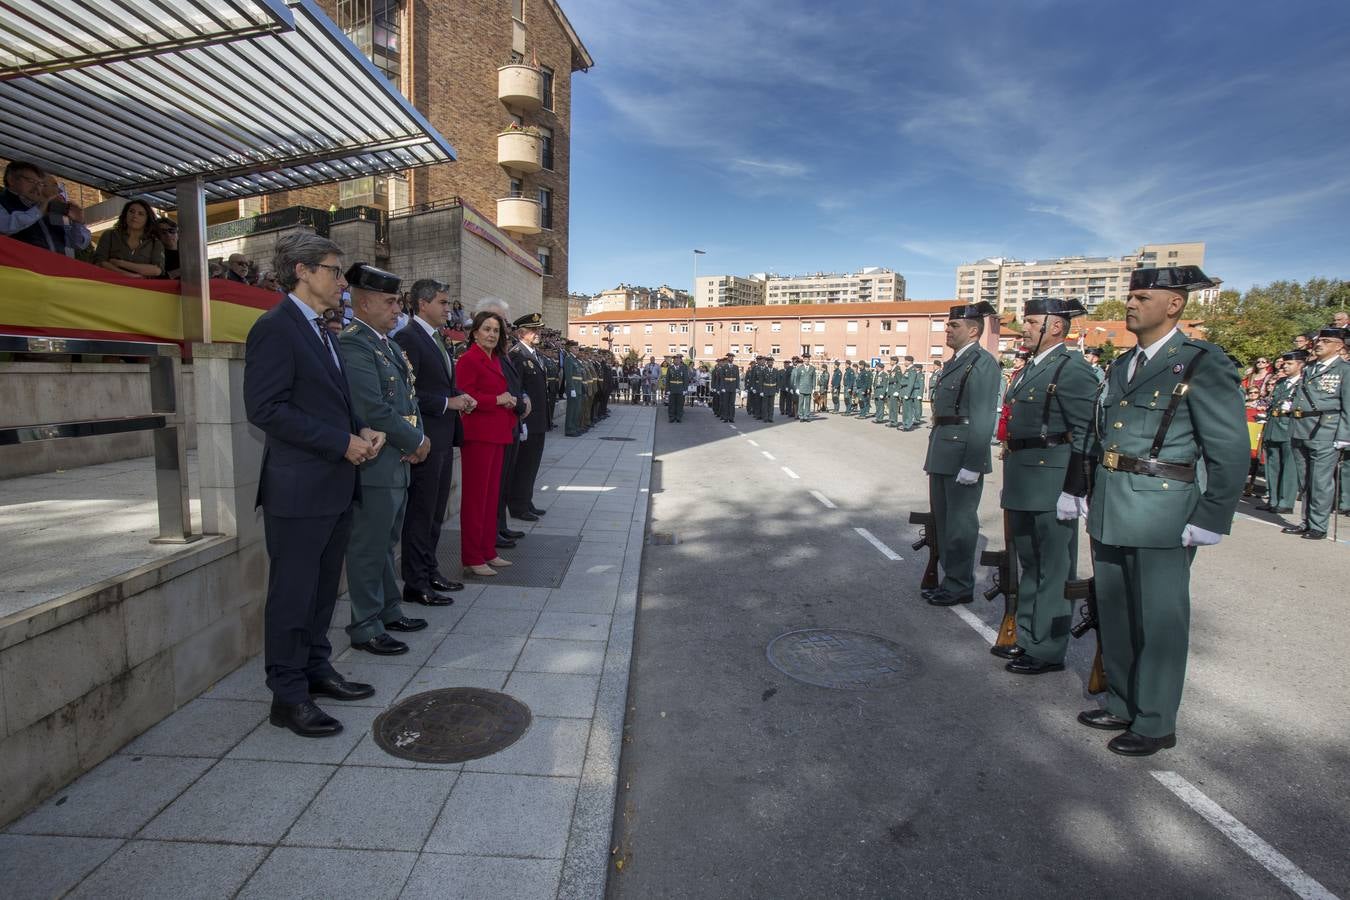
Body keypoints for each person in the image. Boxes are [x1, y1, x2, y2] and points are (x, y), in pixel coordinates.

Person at [1071, 266, 1248, 756]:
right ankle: (1124, 702)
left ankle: (1155, 720)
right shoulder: (1121, 363)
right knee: (1118, 612)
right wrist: (1086, 488)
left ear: (1174, 305)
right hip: (1111, 503)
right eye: (1129, 296)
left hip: (1163, 509)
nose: (1130, 304)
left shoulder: (1200, 362)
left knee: (1160, 620)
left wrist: (1212, 516)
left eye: (1142, 297)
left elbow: (1228, 449)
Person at [244, 233, 385, 738]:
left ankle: (316, 668)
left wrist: (359, 431)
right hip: (299, 491)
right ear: (301, 271)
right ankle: (287, 695)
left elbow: (322, 402)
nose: (341, 280)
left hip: (333, 486)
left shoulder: (322, 329)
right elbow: (265, 410)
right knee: (293, 596)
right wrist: (338, 442)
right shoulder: (276, 327)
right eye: (333, 269)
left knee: (324, 590)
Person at [995, 298, 1097, 674]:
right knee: (1031, 563)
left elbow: (1086, 433)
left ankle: (1049, 649)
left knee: (1054, 567)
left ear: (1056, 326)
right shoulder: (1029, 368)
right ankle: (1028, 636)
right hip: (1024, 474)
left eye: (1032, 321)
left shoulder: (1072, 368)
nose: (1025, 328)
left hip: (1052, 478)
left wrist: (1075, 488)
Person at [337, 264, 431, 656]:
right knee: (368, 546)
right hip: (376, 463)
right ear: (363, 301)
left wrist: (418, 437)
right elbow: (372, 408)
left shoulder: (388, 345)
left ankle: (389, 610)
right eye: (390, 301)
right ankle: (365, 624)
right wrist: (417, 439)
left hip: (396, 458)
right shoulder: (354, 343)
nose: (398, 309)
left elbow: (408, 400)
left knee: (387, 540)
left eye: (398, 301)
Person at [394, 279, 472, 607]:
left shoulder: (435, 338)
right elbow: (406, 393)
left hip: (441, 438)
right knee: (421, 513)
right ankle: (415, 582)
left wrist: (458, 397)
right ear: (422, 304)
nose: (447, 308)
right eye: (441, 302)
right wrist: (447, 403)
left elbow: (440, 383)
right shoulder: (407, 338)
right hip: (423, 438)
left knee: (436, 512)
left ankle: (430, 570)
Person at [922, 302, 1001, 607]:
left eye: (954, 326)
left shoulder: (982, 362)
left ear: (973, 330)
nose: (948, 329)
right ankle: (949, 579)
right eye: (948, 325)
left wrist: (974, 463)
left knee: (960, 524)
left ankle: (959, 584)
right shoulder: (956, 361)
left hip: (961, 454)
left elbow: (982, 416)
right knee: (943, 521)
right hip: (943, 449)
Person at [456, 310, 518, 577]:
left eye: (496, 330)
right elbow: (466, 397)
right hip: (478, 436)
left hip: (497, 433)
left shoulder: (494, 358)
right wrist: (499, 400)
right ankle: (472, 556)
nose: (492, 334)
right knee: (475, 499)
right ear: (475, 333)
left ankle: (487, 551)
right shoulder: (469, 360)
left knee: (491, 497)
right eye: (487, 329)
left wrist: (509, 399)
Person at [1283, 327, 1349, 540]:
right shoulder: (1310, 368)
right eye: (1319, 341)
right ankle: (1306, 521)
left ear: (1339, 346)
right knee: (1305, 480)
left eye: (1326, 341)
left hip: (1326, 428)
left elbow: (1348, 405)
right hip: (1302, 426)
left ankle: (1318, 525)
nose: (1319, 344)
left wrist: (1344, 435)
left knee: (1320, 480)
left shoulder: (1345, 370)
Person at [0, 161, 91, 257]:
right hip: (19, 269)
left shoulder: (50, 208)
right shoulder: (3, 202)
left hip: (53, 269)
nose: (37, 188)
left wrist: (78, 222)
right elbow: (5, 226)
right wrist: (40, 210)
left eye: (39, 183)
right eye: (31, 181)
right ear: (11, 180)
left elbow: (78, 245)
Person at [508, 312, 550, 519]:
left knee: (532, 464)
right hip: (527, 421)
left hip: (539, 420)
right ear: (521, 332)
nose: (538, 333)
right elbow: (517, 387)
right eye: (534, 330)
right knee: (524, 464)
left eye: (539, 329)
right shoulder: (517, 355)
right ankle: (518, 506)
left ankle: (527, 500)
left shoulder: (533, 354)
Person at [1257, 351, 1304, 514]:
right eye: (1284, 363)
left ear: (1300, 365)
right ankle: (1273, 499)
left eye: (1290, 363)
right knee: (1272, 464)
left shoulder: (1304, 382)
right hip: (1274, 425)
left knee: (1288, 466)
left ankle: (1285, 501)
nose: (1285, 366)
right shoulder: (1281, 382)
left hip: (1289, 427)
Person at [94, 199, 164, 278]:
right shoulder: (110, 235)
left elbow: (156, 270)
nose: (135, 216)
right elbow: (100, 262)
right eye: (131, 211)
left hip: (142, 289)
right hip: (112, 286)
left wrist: (121, 263)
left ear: (147, 219)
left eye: (140, 214)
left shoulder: (155, 242)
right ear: (125, 214)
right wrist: (129, 275)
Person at [666, 354, 691, 422]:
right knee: (671, 404)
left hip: (680, 388)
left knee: (680, 404)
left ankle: (678, 417)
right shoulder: (670, 368)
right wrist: (667, 389)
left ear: (680, 360)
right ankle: (671, 417)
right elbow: (667, 379)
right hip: (672, 388)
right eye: (675, 360)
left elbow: (685, 379)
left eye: (678, 359)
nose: (677, 361)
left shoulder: (683, 368)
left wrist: (685, 389)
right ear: (673, 361)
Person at [792, 356, 815, 421]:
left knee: (808, 403)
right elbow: (797, 379)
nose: (806, 361)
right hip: (801, 387)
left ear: (809, 360)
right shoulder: (800, 368)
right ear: (804, 360)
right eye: (805, 359)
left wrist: (813, 388)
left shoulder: (812, 368)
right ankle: (801, 416)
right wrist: (797, 388)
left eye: (808, 359)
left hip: (809, 388)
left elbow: (814, 378)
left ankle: (806, 416)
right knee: (801, 403)